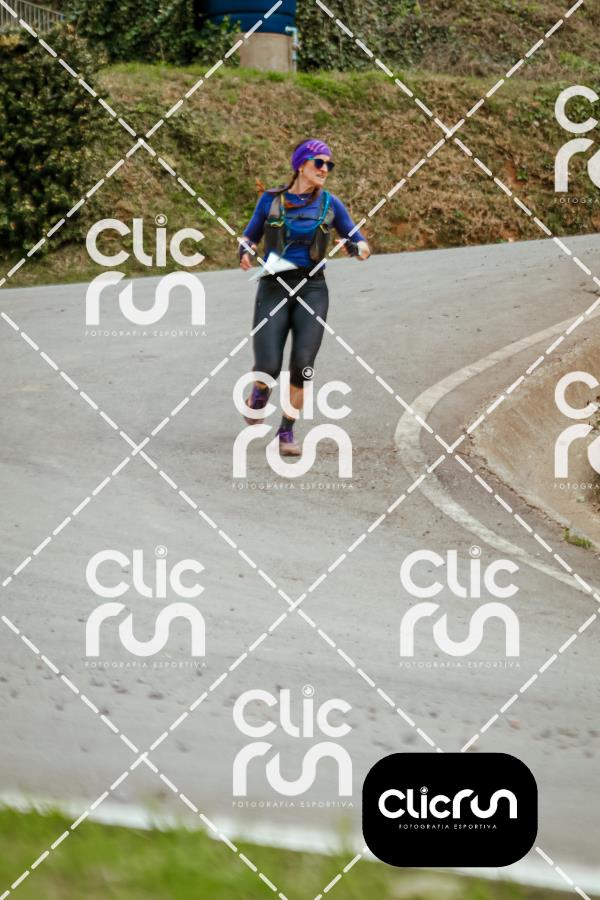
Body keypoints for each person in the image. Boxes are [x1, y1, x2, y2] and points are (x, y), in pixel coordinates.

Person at [239, 138, 371, 456]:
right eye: (319, 163)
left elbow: (361, 243)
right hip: (273, 286)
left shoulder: (330, 204)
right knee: (268, 366)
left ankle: (286, 431)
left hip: (312, 289)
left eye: (329, 165)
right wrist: (244, 250)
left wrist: (357, 247)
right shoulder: (271, 201)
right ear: (301, 165)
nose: (325, 169)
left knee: (303, 365)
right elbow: (250, 235)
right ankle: (258, 395)